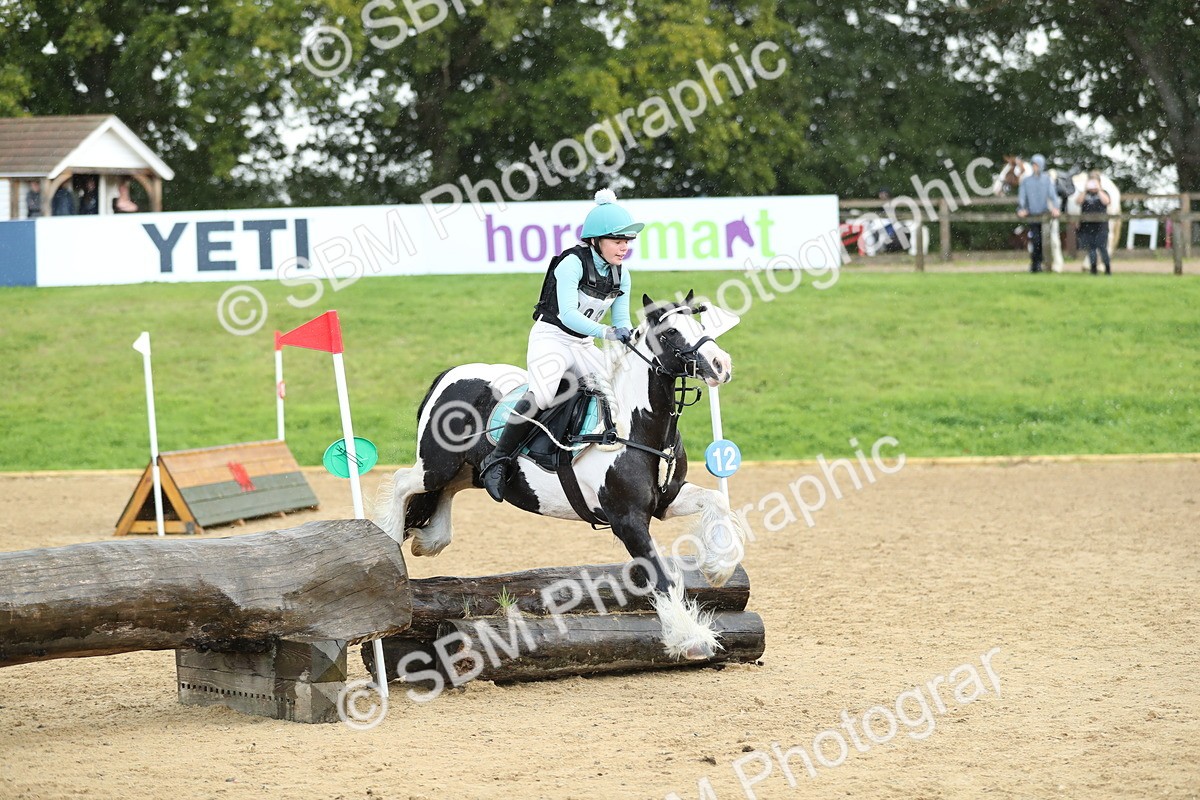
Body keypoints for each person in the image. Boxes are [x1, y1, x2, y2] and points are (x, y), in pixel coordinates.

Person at [478, 189, 642, 502]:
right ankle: (497, 460)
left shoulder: (623, 274)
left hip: (582, 344)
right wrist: (608, 332)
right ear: (596, 240)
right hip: (551, 338)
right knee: (542, 393)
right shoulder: (572, 263)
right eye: (617, 240)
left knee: (619, 386)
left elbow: (622, 319)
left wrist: (630, 335)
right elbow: (568, 314)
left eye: (627, 241)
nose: (624, 247)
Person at [1016, 154, 1060, 272]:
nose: (1035, 167)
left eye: (1037, 165)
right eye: (1033, 165)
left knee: (1045, 240)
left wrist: (1056, 208)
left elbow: (1053, 196)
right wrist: (1021, 209)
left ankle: (1041, 263)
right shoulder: (1026, 181)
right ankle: (1035, 264)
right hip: (1032, 215)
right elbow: (1022, 197)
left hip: (1045, 215)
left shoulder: (1046, 179)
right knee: (1035, 240)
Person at [1074, 175, 1112, 275]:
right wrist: (1085, 190)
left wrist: (1099, 190)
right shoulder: (1084, 194)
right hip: (1087, 227)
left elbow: (1106, 201)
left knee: (1103, 249)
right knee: (1091, 249)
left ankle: (1108, 269)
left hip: (1101, 227)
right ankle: (1093, 269)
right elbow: (1078, 201)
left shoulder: (1103, 193)